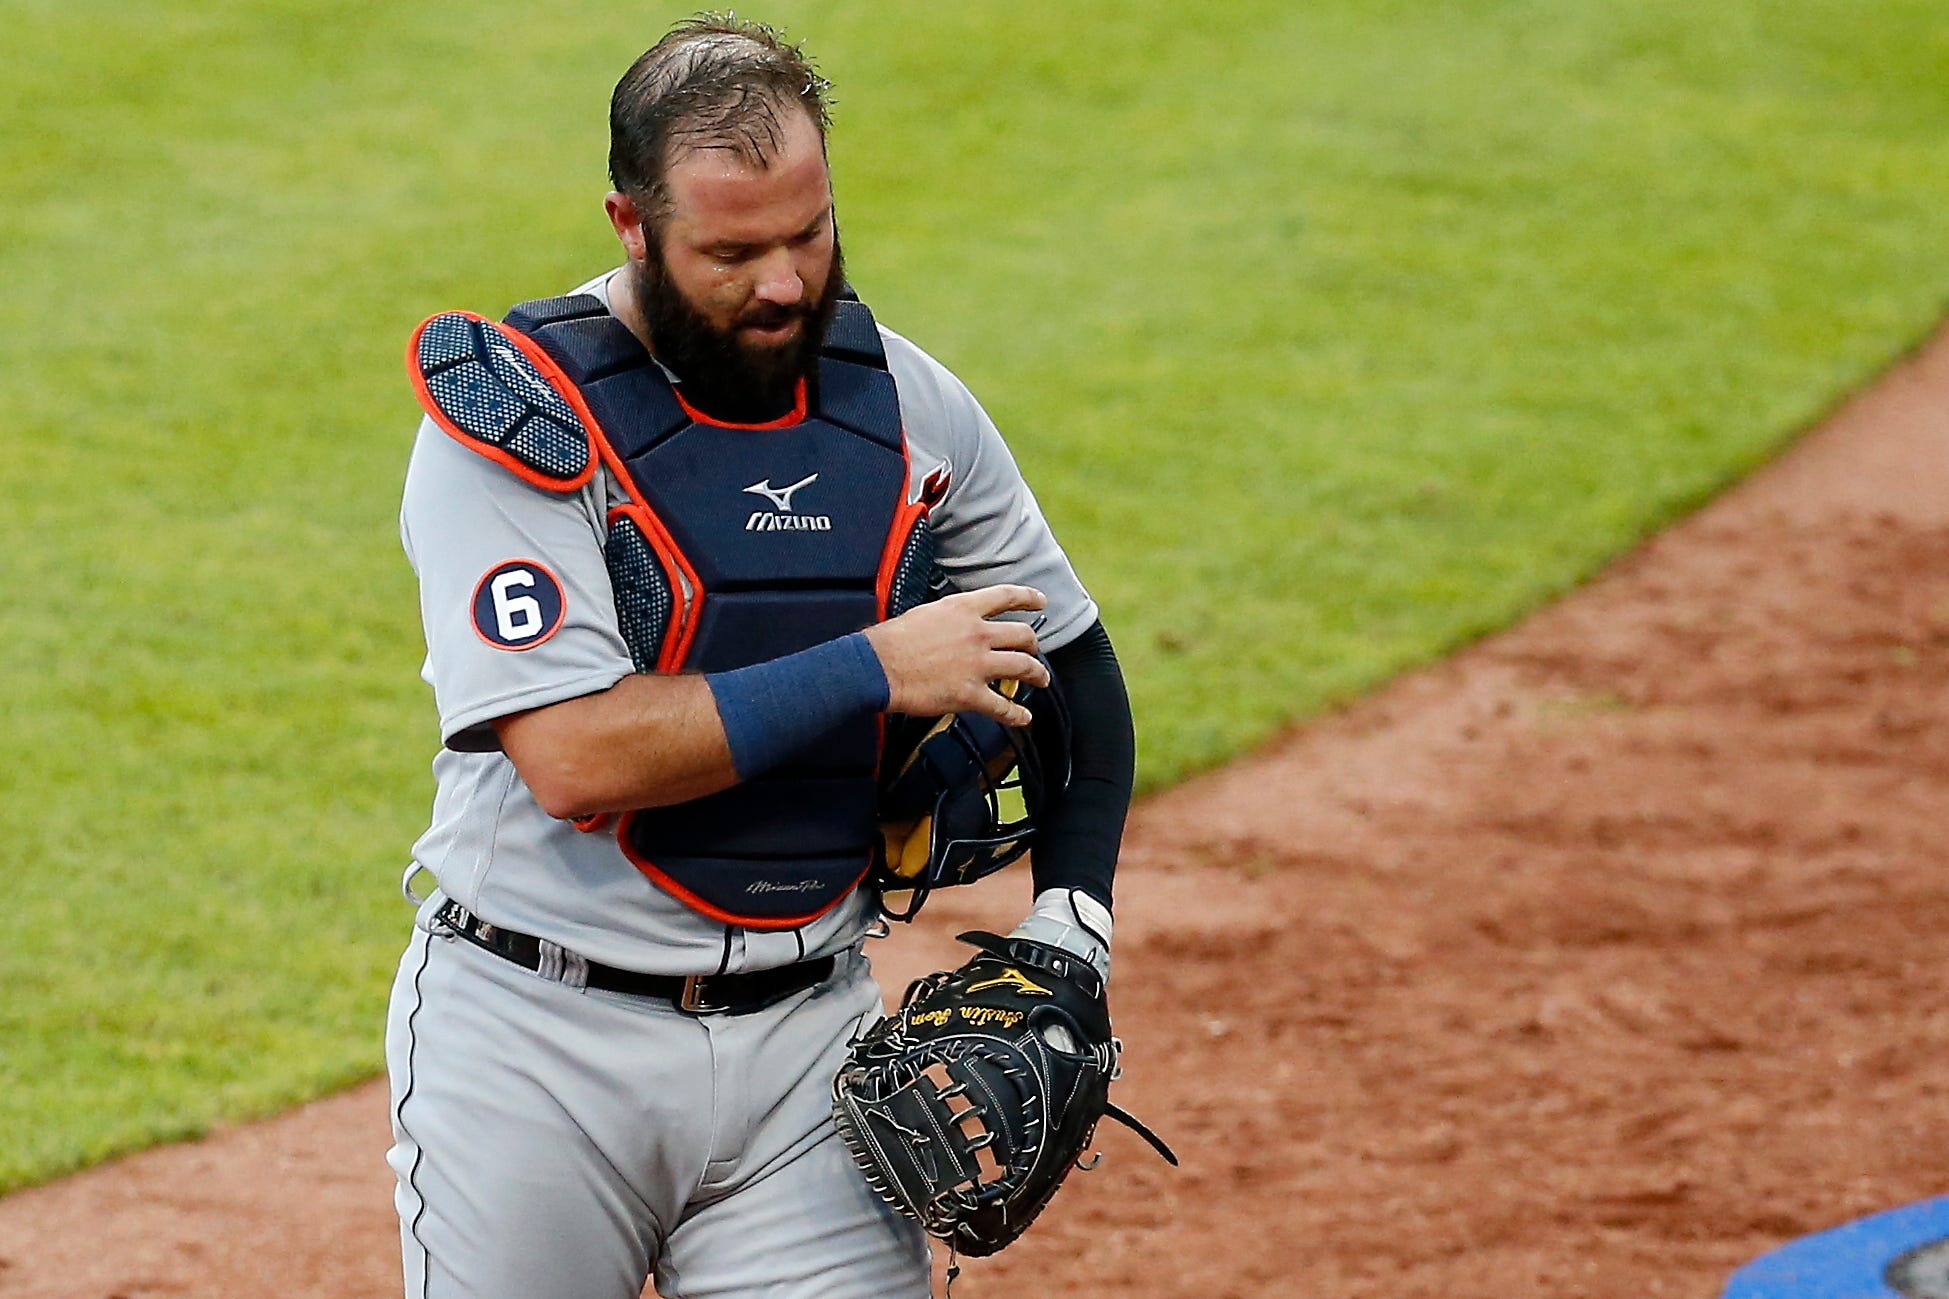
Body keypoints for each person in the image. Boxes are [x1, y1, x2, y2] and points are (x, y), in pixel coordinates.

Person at [386, 15, 1136, 1299]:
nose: (784, 283)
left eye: (809, 234)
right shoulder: (519, 422)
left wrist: (1070, 926)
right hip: (535, 1046)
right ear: (631, 224)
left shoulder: (907, 406)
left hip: (810, 1042)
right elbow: (572, 757)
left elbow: (1076, 671)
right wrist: (874, 667)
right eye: (732, 252)